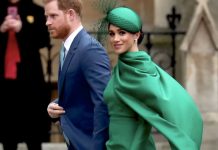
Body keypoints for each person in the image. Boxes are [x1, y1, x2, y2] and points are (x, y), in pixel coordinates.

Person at [101, 6, 203, 150]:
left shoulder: (141, 70)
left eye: (122, 33)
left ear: (136, 35)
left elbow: (174, 108)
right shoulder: (120, 68)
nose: (115, 39)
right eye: (111, 34)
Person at [44, 0, 111, 149]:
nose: (47, 22)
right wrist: (56, 106)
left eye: (53, 16)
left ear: (71, 15)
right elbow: (80, 93)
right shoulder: (68, 47)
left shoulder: (90, 50)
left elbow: (104, 103)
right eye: (46, 17)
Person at [0, 0, 51, 150]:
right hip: (4, 81)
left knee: (33, 132)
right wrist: (1, 29)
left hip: (30, 80)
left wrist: (23, 28)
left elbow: (44, 40)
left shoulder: (36, 10)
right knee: (7, 134)